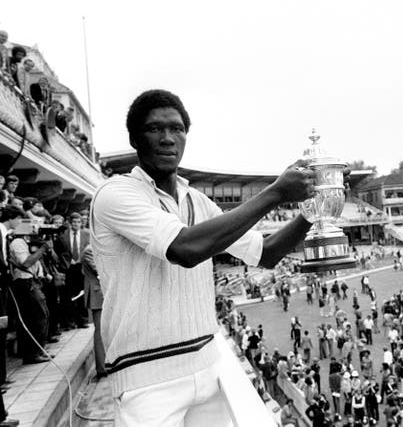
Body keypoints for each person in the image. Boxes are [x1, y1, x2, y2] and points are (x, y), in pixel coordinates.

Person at [90, 89, 321, 425]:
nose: (168, 138)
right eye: (155, 129)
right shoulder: (114, 194)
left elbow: (266, 253)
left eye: (177, 128)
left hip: (208, 368)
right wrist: (275, 192)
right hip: (147, 382)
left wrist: (314, 213)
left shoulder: (197, 201)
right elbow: (185, 249)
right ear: (134, 139)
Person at [6, 206, 51, 364]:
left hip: (32, 281)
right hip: (25, 282)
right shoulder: (18, 242)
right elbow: (25, 263)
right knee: (37, 317)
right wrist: (43, 249)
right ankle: (32, 353)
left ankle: (37, 350)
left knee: (40, 315)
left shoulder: (28, 242)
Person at [56, 212, 90, 329]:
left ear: (81, 223)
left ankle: (83, 320)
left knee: (81, 293)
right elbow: (60, 252)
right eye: (74, 222)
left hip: (81, 266)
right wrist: (69, 260)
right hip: (68, 267)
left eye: (79, 222)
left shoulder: (87, 234)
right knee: (68, 294)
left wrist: (80, 259)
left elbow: (88, 249)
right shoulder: (62, 235)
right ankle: (69, 321)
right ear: (70, 223)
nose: (76, 224)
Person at [81, 244, 106, 379]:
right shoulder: (90, 250)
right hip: (97, 294)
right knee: (100, 331)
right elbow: (101, 271)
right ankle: (102, 367)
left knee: (103, 330)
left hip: (100, 294)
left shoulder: (95, 248)